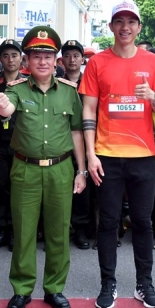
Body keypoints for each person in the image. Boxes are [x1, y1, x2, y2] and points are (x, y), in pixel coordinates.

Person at [0, 26, 86, 308]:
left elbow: (77, 133)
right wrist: (2, 105)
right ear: (26, 61)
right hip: (26, 169)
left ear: (56, 60)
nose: (42, 61)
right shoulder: (16, 90)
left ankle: (54, 288)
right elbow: (8, 109)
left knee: (58, 232)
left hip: (61, 169)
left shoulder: (69, 93)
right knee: (24, 232)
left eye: (47, 56)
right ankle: (22, 289)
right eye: (36, 56)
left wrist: (81, 171)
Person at [80, 0, 155, 308]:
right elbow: (88, 110)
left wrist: (153, 97)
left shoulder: (153, 62)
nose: (125, 27)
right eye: (120, 21)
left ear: (139, 27)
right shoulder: (97, 63)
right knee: (108, 223)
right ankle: (108, 283)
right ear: (112, 27)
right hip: (106, 156)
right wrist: (90, 156)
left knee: (143, 221)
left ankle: (144, 284)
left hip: (143, 156)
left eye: (131, 22)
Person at [0, 38, 24, 251]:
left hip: (20, 144)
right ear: (0, 57)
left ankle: (16, 232)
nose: (10, 60)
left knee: (18, 189)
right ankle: (1, 230)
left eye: (14, 55)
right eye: (6, 55)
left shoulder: (28, 82)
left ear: (21, 58)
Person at [61, 40, 95, 249]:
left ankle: (81, 229)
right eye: (67, 55)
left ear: (83, 59)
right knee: (63, 188)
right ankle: (61, 229)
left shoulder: (90, 83)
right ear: (61, 59)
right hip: (63, 143)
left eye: (76, 55)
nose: (72, 59)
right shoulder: (55, 83)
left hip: (87, 141)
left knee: (84, 189)